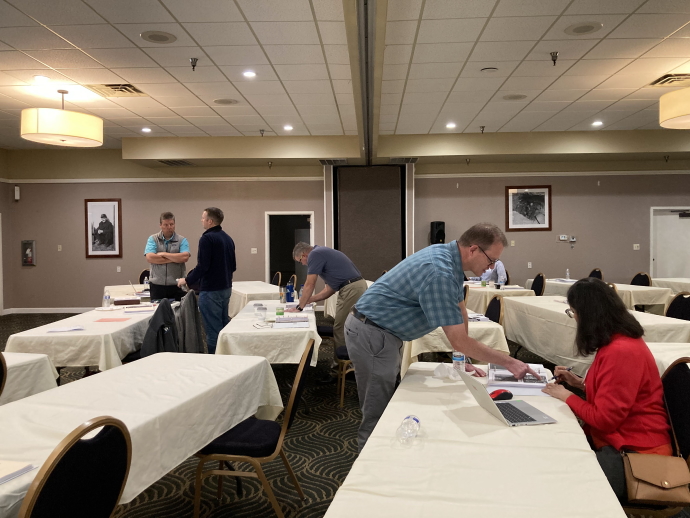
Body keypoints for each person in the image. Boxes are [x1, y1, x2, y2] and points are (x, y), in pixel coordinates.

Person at [345, 222, 541, 450]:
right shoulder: (440, 272)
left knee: (387, 400)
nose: (492, 267)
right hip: (372, 333)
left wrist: (462, 358)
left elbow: (461, 311)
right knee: (377, 409)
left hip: (380, 332)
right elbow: (459, 339)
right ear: (474, 250)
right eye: (491, 260)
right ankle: (368, 467)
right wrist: (509, 362)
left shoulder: (450, 259)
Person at [542, 277, 671, 503]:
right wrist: (579, 383)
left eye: (573, 312)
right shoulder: (617, 341)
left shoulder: (621, 351)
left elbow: (604, 419)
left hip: (637, 455)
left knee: (560, 483)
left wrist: (567, 396)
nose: (574, 319)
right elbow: (614, 390)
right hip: (623, 441)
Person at [289, 242, 368, 382]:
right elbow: (328, 290)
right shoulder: (321, 253)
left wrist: (299, 307)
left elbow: (310, 283)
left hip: (352, 289)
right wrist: (309, 299)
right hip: (352, 287)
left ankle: (339, 372)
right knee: (344, 327)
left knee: (340, 327)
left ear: (303, 255)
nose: (303, 264)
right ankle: (346, 368)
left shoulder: (315, 254)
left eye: (300, 261)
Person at [177, 208, 236, 354]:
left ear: (210, 221)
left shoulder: (207, 239)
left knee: (212, 331)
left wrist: (187, 279)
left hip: (211, 291)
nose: (201, 220)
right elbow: (233, 266)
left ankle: (213, 363)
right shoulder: (228, 238)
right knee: (223, 327)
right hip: (226, 288)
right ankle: (226, 359)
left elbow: (203, 266)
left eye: (203, 218)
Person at [144, 211, 191, 301]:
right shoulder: (153, 239)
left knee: (177, 313)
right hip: (157, 285)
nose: (169, 227)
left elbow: (185, 257)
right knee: (158, 313)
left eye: (171, 224)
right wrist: (175, 258)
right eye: (166, 225)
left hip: (177, 284)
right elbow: (150, 258)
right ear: (160, 225)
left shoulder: (182, 240)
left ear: (174, 224)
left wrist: (164, 254)